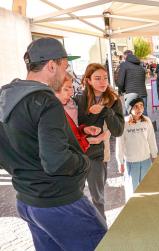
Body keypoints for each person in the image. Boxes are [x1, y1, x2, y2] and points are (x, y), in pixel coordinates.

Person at [0, 37, 107, 250]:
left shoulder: (5, 95)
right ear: (51, 66)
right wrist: (84, 162)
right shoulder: (46, 101)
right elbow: (56, 162)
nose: (66, 74)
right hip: (59, 202)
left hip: (27, 201)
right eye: (65, 67)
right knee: (106, 245)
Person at [76, 63, 125, 220]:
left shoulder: (113, 100)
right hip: (77, 154)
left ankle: (101, 228)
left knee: (98, 197)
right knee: (76, 195)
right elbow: (74, 127)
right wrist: (86, 133)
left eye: (105, 78)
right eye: (97, 78)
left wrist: (106, 111)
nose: (103, 82)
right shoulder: (78, 100)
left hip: (98, 155)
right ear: (88, 80)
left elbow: (118, 131)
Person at [116, 94, 158, 195]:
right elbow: (119, 144)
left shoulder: (147, 121)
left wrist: (155, 155)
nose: (139, 109)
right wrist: (120, 162)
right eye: (136, 106)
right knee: (132, 189)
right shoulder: (124, 123)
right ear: (129, 108)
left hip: (146, 160)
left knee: (147, 187)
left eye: (141, 105)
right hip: (131, 162)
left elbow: (151, 139)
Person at [55, 73, 108, 153]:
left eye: (72, 88)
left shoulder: (69, 105)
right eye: (66, 89)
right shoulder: (50, 113)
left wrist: (84, 130)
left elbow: (73, 132)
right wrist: (90, 140)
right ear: (54, 90)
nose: (71, 93)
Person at [116, 50, 148, 115]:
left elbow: (120, 82)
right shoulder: (141, 66)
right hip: (143, 94)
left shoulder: (124, 65)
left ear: (126, 56)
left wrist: (122, 90)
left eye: (124, 57)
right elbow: (143, 80)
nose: (124, 59)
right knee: (143, 117)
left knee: (130, 118)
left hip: (131, 94)